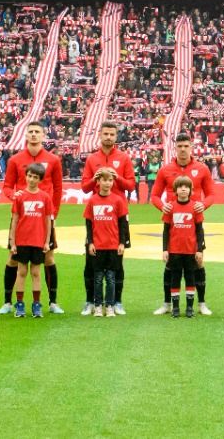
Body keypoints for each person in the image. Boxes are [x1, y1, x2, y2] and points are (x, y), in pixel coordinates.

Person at [1, 123, 65, 315]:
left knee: (48, 258)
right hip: (22, 218)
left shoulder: (53, 160)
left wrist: (53, 213)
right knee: (13, 260)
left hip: (43, 217)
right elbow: (6, 187)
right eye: (31, 132)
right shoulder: (15, 160)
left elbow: (58, 188)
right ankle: (8, 302)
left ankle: (52, 302)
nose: (34, 135)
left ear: (44, 135)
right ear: (26, 135)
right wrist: (16, 198)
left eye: (38, 131)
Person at [151, 134, 216, 315]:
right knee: (171, 267)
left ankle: (201, 303)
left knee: (198, 263)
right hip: (174, 225)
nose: (182, 149)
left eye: (186, 146)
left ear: (191, 147)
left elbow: (211, 194)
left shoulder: (201, 169)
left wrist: (203, 204)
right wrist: (162, 206)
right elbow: (154, 196)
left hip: (193, 225)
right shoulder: (165, 170)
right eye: (179, 146)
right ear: (175, 147)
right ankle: (167, 304)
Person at [81, 122, 136, 315]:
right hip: (97, 215)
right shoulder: (92, 158)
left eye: (112, 134)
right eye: (106, 134)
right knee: (91, 261)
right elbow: (85, 188)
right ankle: (90, 301)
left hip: (118, 214)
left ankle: (117, 302)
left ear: (116, 136)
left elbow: (131, 185)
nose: (109, 137)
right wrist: (94, 178)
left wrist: (117, 178)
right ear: (100, 135)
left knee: (117, 262)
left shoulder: (123, 158)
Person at [84, 167, 131, 317]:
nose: (107, 183)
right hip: (97, 246)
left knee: (111, 278)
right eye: (104, 180)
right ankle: (98, 306)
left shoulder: (118, 200)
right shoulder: (92, 200)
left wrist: (122, 243)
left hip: (113, 246)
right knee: (97, 278)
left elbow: (123, 224)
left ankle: (110, 306)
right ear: (97, 182)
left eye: (110, 180)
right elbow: (89, 224)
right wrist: (90, 242)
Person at [9, 163, 53, 318]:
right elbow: (14, 220)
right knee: (21, 272)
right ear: (25, 176)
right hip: (22, 241)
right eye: (29, 176)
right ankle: (19, 305)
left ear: (40, 179)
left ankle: (36, 304)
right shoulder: (19, 196)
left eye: (35, 177)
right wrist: (12, 242)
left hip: (38, 241)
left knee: (36, 272)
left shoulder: (45, 197)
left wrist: (47, 241)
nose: (32, 179)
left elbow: (48, 221)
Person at [162, 176, 206, 318]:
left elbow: (199, 230)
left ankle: (189, 308)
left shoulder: (195, 207)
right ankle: (175, 308)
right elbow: (166, 231)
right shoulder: (170, 207)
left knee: (190, 278)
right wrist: (164, 249)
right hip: (174, 251)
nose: (183, 189)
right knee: (175, 279)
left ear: (190, 190)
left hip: (190, 251)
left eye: (186, 187)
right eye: (180, 187)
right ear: (175, 190)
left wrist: (199, 249)